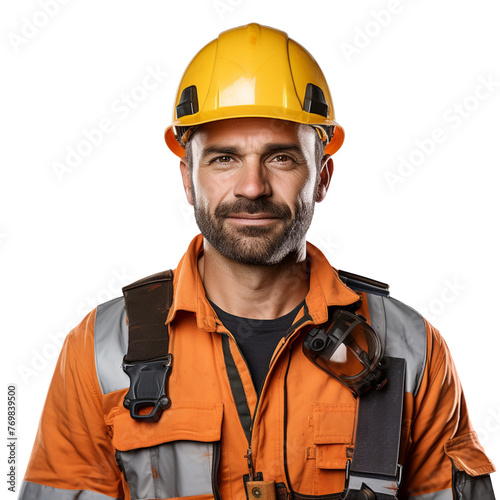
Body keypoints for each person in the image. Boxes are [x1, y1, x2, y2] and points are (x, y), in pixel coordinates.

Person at [19, 23, 495, 500]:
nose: (252, 187)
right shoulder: (101, 349)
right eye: (224, 159)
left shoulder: (412, 348)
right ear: (188, 179)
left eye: (281, 158)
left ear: (323, 177)